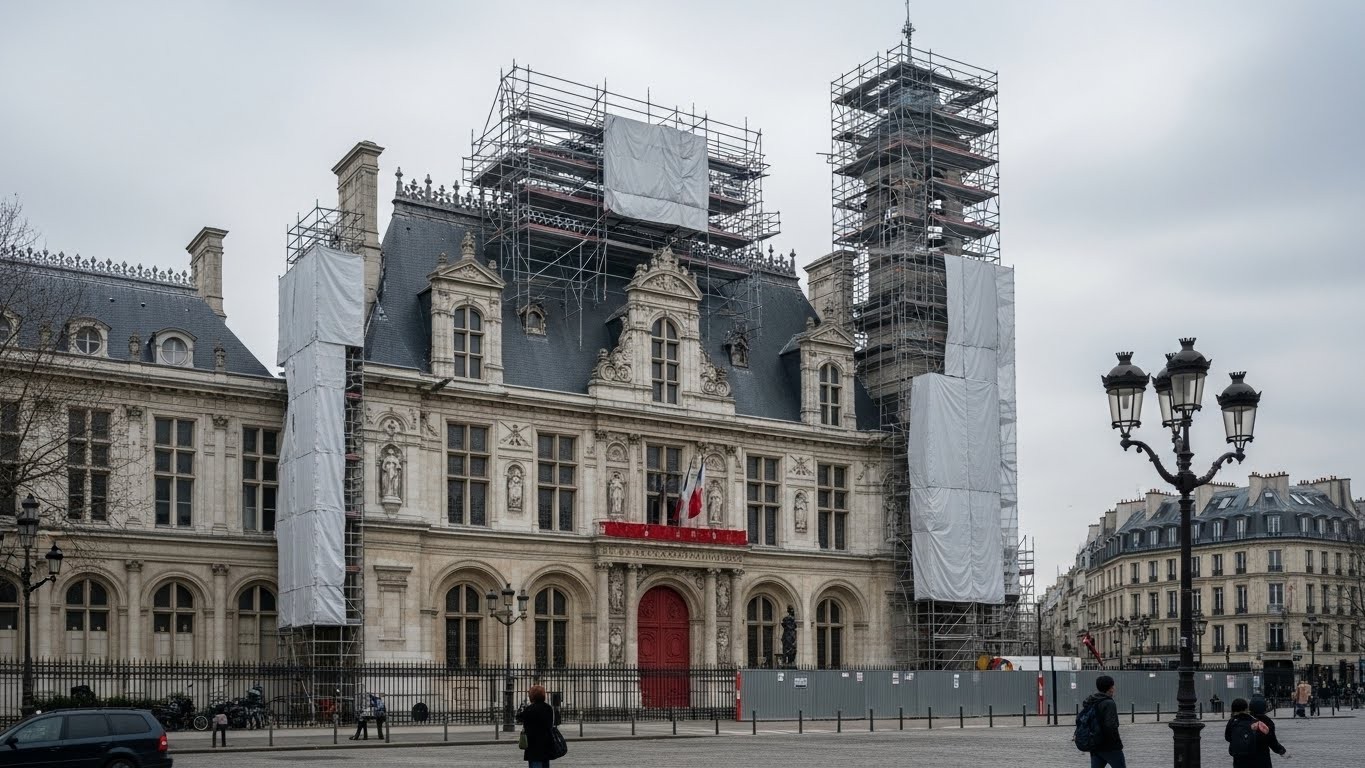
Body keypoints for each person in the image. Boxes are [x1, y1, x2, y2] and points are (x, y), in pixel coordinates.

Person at [1227, 696, 1289, 767]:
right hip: (1261, 759)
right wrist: (1281, 751)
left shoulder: (1238, 720)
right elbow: (1272, 741)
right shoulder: (1266, 721)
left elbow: (1228, 737)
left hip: (1240, 759)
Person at [1081, 675, 1125, 768]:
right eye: (1113, 686)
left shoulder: (1092, 700)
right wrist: (1117, 744)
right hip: (1110, 746)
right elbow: (1110, 726)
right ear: (1110, 688)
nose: (1114, 688)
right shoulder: (1109, 703)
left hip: (1095, 745)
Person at [516, 684, 562, 768]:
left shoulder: (529, 709)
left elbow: (519, 718)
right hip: (546, 743)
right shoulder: (548, 708)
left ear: (531, 696)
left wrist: (523, 705)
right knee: (545, 764)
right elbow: (552, 723)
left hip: (533, 744)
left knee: (535, 763)